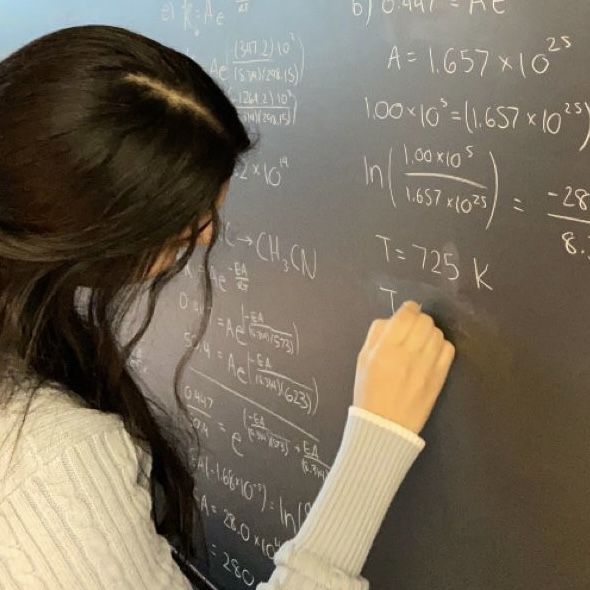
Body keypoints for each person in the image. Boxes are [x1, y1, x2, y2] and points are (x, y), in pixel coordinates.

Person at [0, 25, 455, 589]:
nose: (209, 235)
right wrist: (377, 442)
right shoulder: (51, 462)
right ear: (95, 237)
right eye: (185, 226)